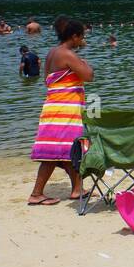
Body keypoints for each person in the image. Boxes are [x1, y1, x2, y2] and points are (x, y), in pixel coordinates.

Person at [28, 18, 92, 205]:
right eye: (82, 37)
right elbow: (89, 76)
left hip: (54, 107)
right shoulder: (67, 54)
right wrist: (85, 63)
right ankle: (36, 193)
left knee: (68, 150)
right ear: (74, 36)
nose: (82, 40)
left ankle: (77, 189)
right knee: (54, 153)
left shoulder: (52, 53)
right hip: (64, 110)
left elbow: (47, 80)